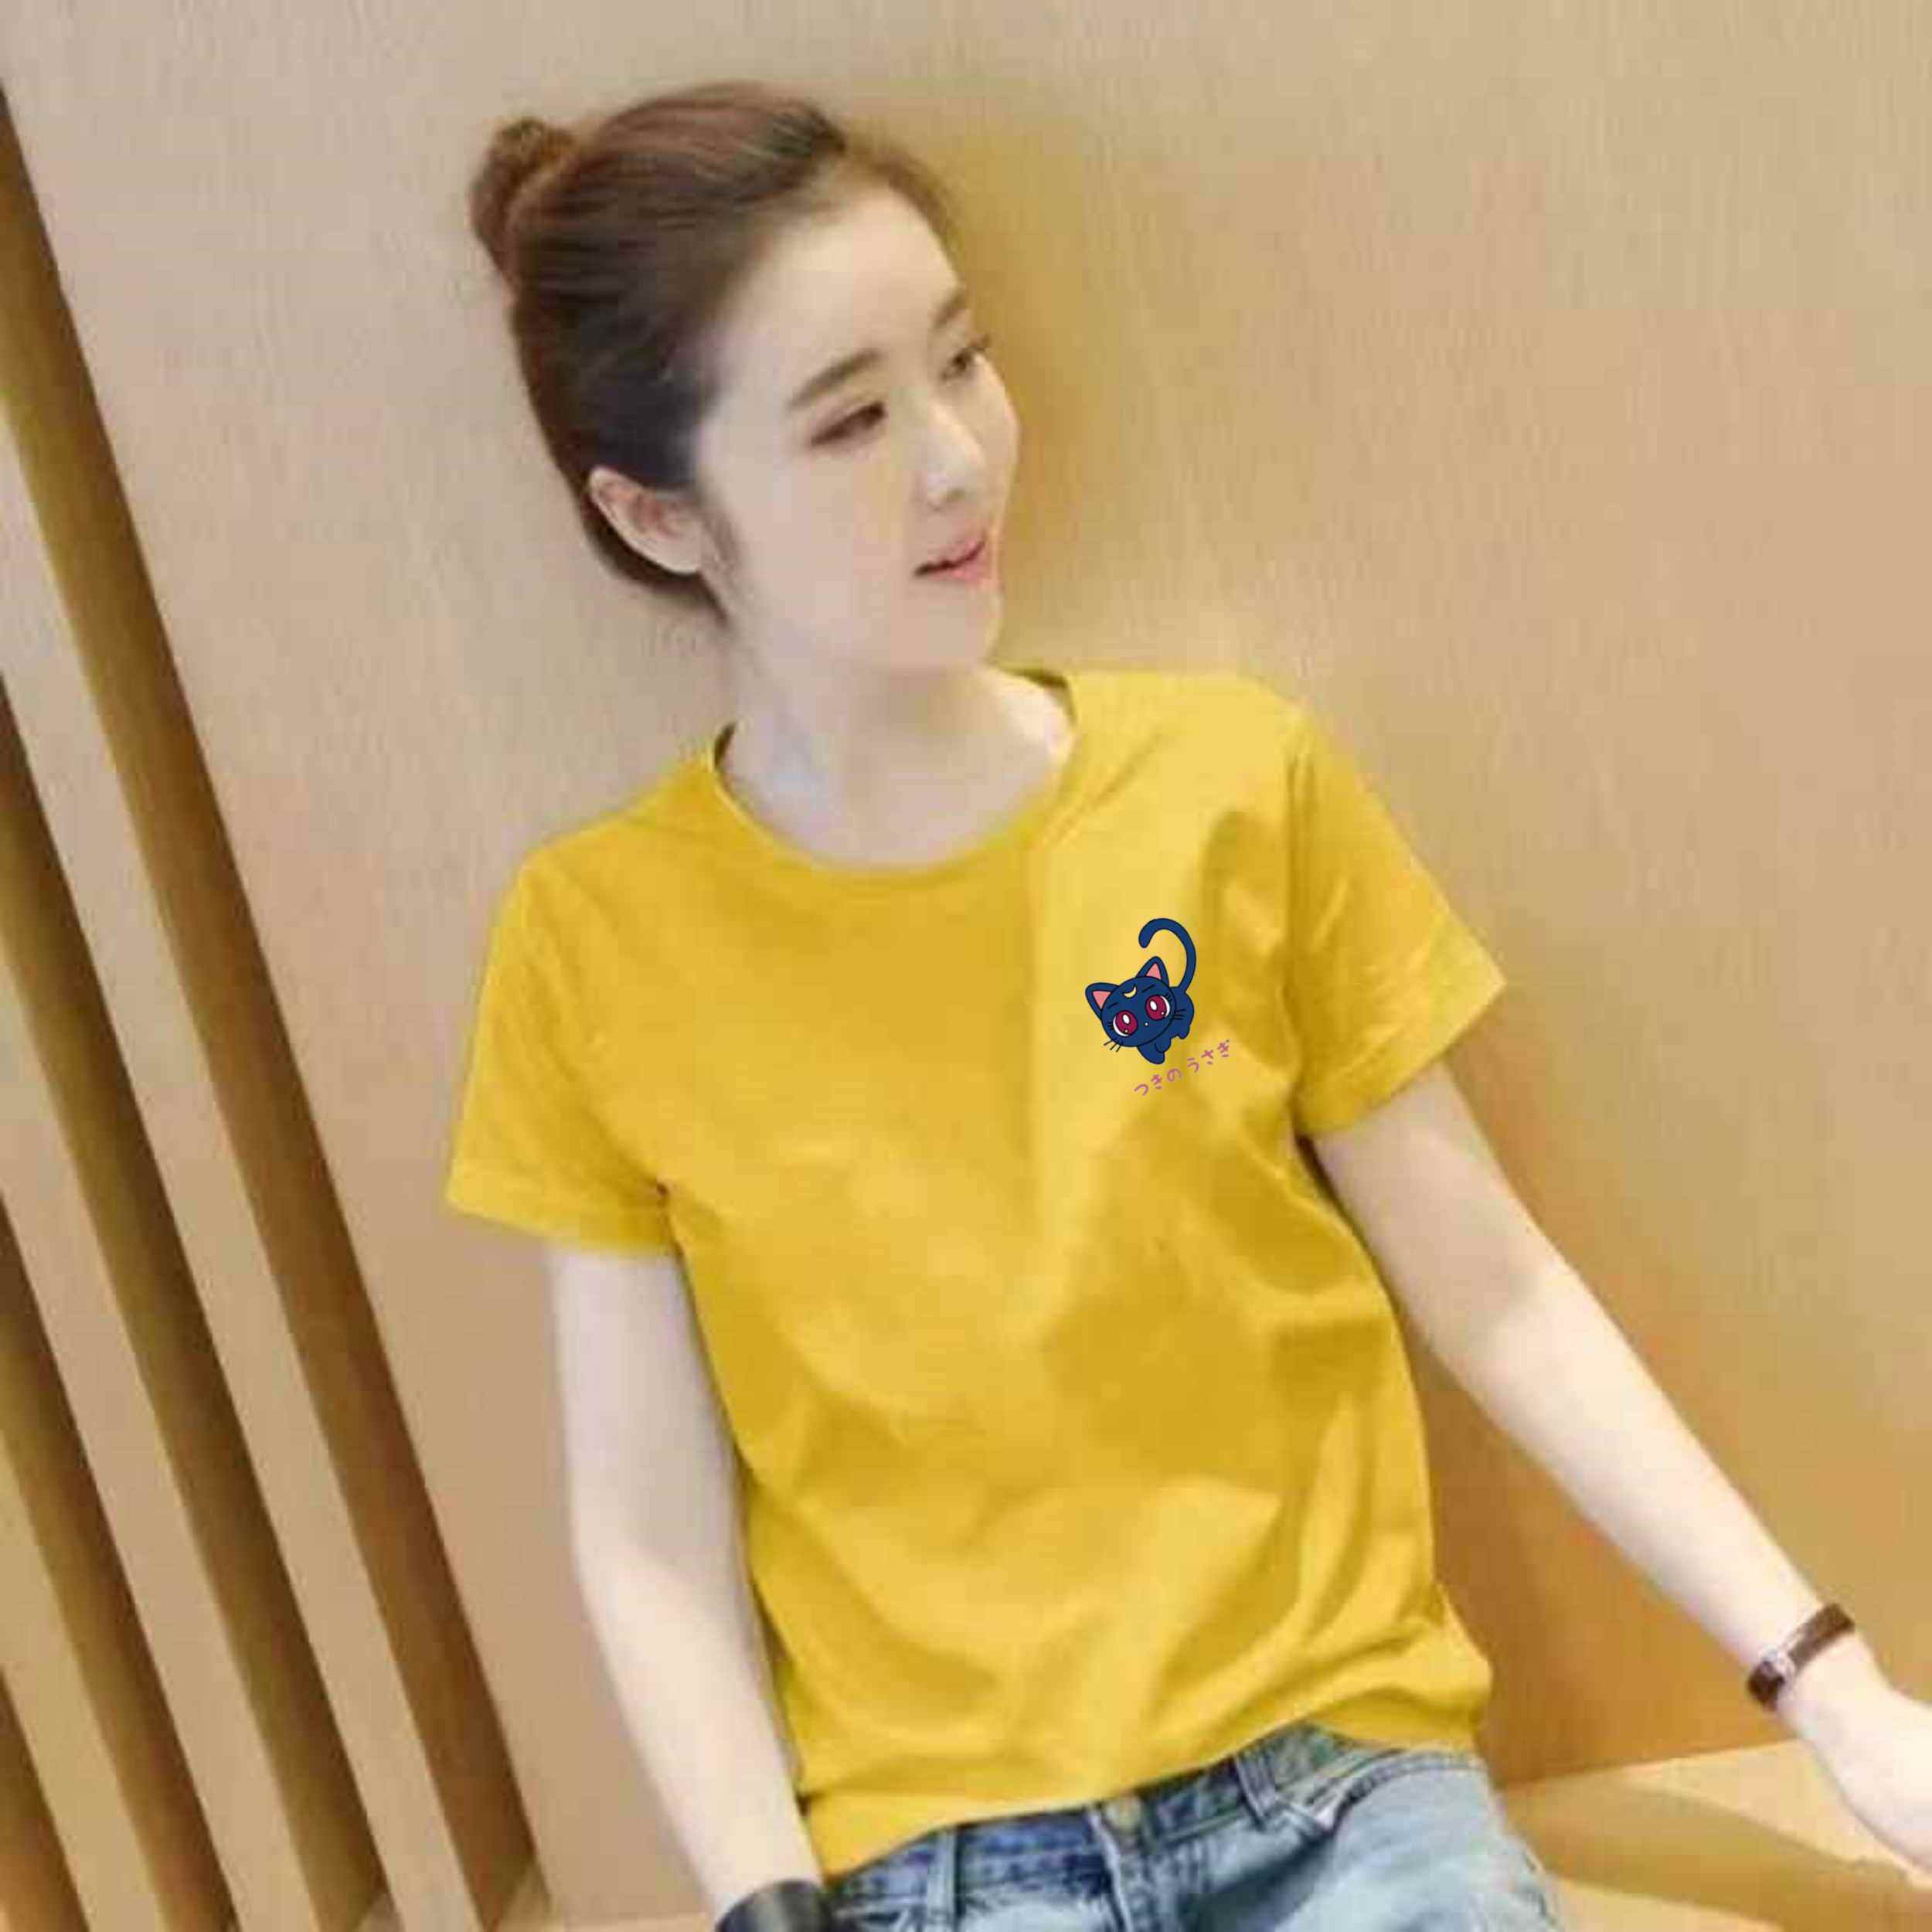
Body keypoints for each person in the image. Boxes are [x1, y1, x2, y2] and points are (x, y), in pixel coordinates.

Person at [447, 80, 1575, 1930]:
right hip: (944, 1866)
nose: (959, 459)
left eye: (960, 362)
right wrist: (761, 1900)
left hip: (1342, 1793)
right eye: (850, 420)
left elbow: (1499, 1288)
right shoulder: (592, 942)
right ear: (656, 512)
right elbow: (645, 1533)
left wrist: (1824, 1680)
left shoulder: (1230, 782)